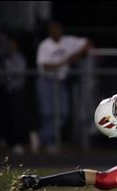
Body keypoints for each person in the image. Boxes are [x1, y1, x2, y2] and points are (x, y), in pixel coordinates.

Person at [36, 21, 92, 153]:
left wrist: (74, 57)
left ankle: (40, 138)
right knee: (48, 114)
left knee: (63, 113)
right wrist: (65, 62)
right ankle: (48, 142)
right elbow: (44, 66)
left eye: (57, 29)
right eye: (52, 30)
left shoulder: (68, 41)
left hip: (60, 82)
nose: (55, 32)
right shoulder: (45, 45)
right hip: (46, 81)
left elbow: (88, 44)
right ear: (49, 32)